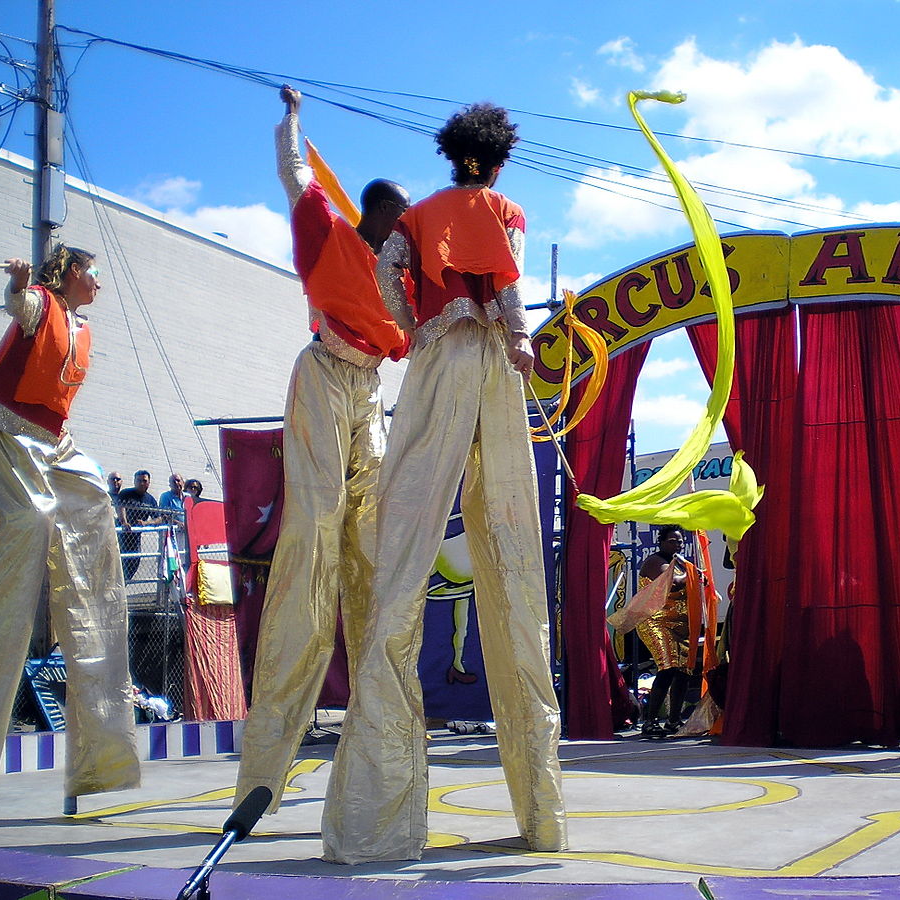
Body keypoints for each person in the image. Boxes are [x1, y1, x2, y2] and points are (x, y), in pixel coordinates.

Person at [330, 102, 567, 864]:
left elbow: (386, 274)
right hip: (491, 366)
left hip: (432, 370)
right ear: (497, 160)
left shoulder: (420, 214)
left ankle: (374, 816)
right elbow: (504, 284)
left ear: (453, 154)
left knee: (405, 549)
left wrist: (414, 328)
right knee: (512, 553)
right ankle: (542, 816)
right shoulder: (502, 206)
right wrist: (523, 341)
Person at [232, 86, 411, 825]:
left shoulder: (404, 283)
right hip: (322, 377)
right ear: (377, 215)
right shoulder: (329, 232)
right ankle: (271, 750)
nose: (405, 229)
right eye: (399, 219)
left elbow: (424, 336)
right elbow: (294, 171)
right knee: (313, 536)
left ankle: (379, 742)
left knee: (369, 546)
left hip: (368, 391)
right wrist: (294, 117)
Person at [0, 246, 139, 832]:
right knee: (32, 520)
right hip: (6, 425)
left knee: (96, 499)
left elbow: (57, 392)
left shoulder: (82, 327)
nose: (99, 282)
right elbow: (22, 306)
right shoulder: (44, 304)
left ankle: (100, 757)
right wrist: (21, 286)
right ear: (70, 274)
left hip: (53, 437)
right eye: (94, 272)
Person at [637, 525, 697, 737]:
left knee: (683, 671)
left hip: (679, 625)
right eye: (672, 541)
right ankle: (650, 721)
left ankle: (674, 720)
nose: (677, 545)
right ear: (661, 542)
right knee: (668, 668)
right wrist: (693, 575)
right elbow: (672, 584)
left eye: (680, 541)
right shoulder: (655, 562)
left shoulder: (680, 564)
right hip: (656, 622)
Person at [117, 469, 162, 581]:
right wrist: (124, 522)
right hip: (121, 536)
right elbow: (120, 506)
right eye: (139, 480)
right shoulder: (126, 494)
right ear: (134, 481)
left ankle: (124, 584)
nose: (141, 483)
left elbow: (158, 518)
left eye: (144, 480)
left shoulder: (150, 499)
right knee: (118, 562)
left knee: (134, 563)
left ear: (148, 482)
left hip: (135, 538)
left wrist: (146, 523)